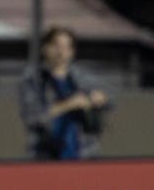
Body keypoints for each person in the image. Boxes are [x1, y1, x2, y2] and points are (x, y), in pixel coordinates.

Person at [19, 26, 110, 160]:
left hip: (83, 154)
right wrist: (69, 104)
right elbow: (32, 116)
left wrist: (98, 100)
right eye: (56, 45)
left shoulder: (81, 79)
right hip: (46, 155)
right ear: (45, 48)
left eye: (67, 47)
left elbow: (108, 100)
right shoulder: (34, 80)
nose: (61, 52)